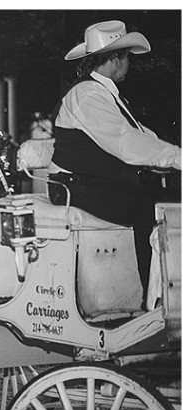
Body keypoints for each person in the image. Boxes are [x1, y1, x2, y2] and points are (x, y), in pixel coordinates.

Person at [48, 20, 181, 308]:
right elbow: (123, 141)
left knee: (167, 200)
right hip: (73, 187)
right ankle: (156, 302)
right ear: (115, 59)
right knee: (148, 205)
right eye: (127, 57)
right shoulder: (87, 95)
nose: (129, 64)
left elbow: (140, 134)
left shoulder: (105, 93)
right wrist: (176, 158)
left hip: (89, 182)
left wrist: (174, 155)